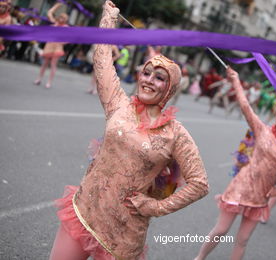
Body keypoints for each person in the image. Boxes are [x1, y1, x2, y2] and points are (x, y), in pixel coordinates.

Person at [49, 2, 209, 260]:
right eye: (147, 73)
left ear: (170, 89)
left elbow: (200, 184)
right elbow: (102, 59)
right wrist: (108, 19)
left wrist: (156, 206)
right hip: (85, 209)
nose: (148, 80)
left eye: (159, 77)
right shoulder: (118, 104)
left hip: (124, 235)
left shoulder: (176, 134)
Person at [194, 67, 276, 260]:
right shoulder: (263, 130)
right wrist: (235, 80)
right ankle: (199, 258)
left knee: (243, 240)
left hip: (261, 196)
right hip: (241, 187)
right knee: (221, 230)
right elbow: (245, 105)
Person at [34, 2, 68, 89]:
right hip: (49, 45)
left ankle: (49, 82)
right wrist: (57, 5)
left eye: (63, 18)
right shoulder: (54, 24)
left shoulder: (66, 28)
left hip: (57, 47)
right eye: (60, 17)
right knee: (44, 63)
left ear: (65, 20)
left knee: (53, 64)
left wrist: (63, 43)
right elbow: (49, 13)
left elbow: (69, 38)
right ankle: (39, 78)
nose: (61, 19)